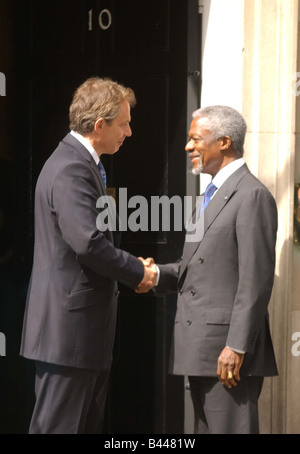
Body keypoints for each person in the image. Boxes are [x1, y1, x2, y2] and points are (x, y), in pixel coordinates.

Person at [20, 77, 157, 434]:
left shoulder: (82, 163)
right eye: (124, 123)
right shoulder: (72, 168)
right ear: (100, 125)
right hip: (69, 338)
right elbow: (89, 243)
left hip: (80, 337)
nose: (129, 132)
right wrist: (136, 271)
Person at [137, 105, 278, 434]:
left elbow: (255, 282)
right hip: (201, 347)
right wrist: (154, 274)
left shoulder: (252, 196)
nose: (188, 146)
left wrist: (236, 347)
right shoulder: (210, 195)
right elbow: (198, 269)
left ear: (224, 142)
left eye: (195, 139)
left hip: (227, 354)